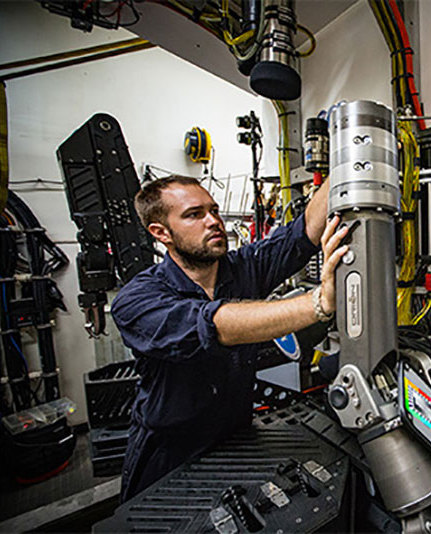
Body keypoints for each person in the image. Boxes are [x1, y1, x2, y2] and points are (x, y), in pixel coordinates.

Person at [111, 175, 349, 502]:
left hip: (237, 443)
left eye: (214, 210)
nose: (213, 222)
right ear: (160, 233)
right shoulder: (136, 300)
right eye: (194, 215)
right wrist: (318, 303)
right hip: (170, 457)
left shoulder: (240, 268)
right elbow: (213, 325)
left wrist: (346, 156)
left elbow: (302, 233)